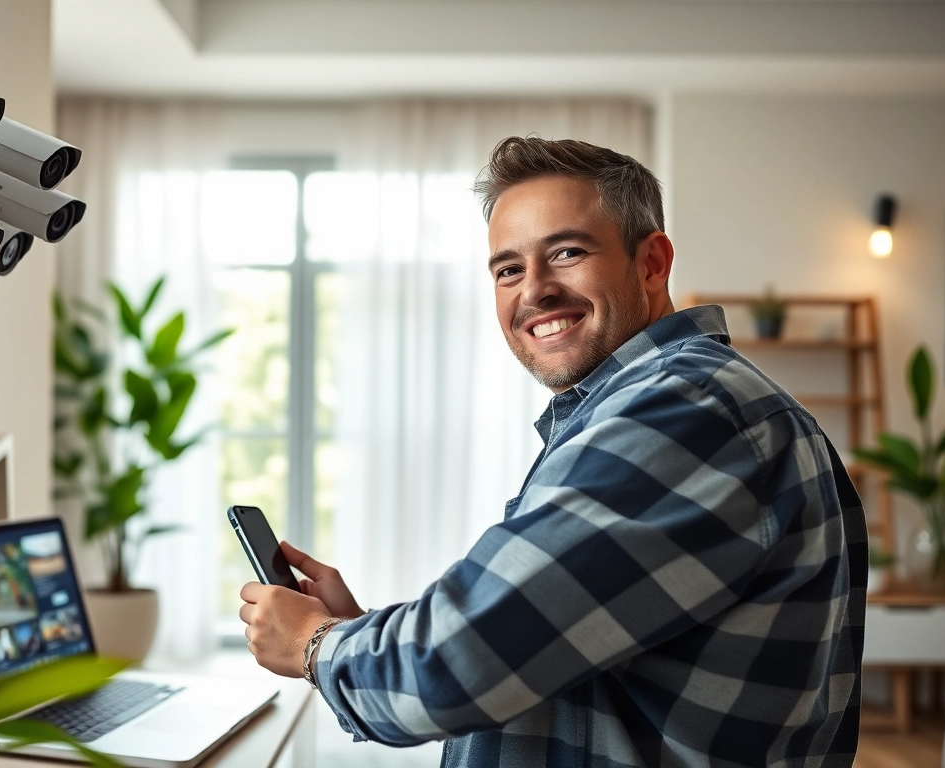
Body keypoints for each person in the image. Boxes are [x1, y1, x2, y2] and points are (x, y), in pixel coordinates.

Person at [238, 137, 867, 766]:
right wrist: (360, 635)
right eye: (509, 268)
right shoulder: (660, 404)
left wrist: (317, 645)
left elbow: (455, 671)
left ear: (651, 263)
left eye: (566, 252)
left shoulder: (684, 410)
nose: (534, 291)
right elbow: (549, 639)